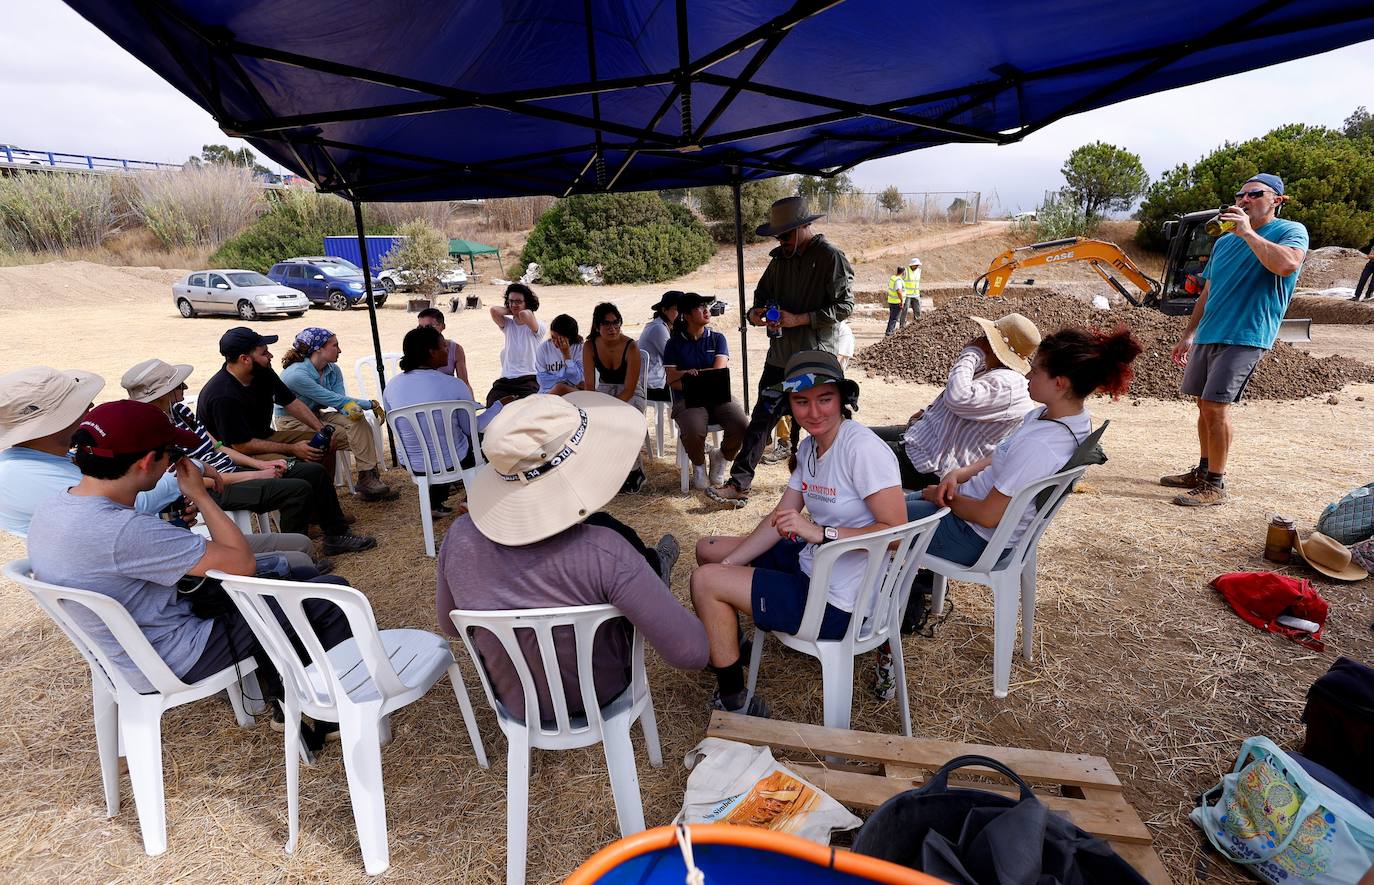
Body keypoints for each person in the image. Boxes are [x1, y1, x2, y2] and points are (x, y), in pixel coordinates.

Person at [25, 399, 352, 748]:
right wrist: (200, 494)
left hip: (126, 653)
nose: (175, 462)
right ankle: (335, 712)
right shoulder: (123, 529)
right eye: (172, 453)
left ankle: (291, 701)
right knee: (330, 595)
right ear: (148, 462)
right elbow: (242, 564)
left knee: (291, 585)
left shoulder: (57, 506)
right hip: (174, 656)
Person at [435, 392, 705, 720]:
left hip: (516, 703)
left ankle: (654, 572)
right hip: (604, 694)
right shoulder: (605, 550)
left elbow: (450, 625)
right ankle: (655, 572)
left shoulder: (459, 537)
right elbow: (692, 652)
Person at [690, 351, 905, 715]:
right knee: (708, 551)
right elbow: (782, 515)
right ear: (789, 404)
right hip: (810, 566)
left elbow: (896, 534)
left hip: (838, 602)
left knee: (705, 581)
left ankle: (734, 700)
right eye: (801, 401)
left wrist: (824, 533)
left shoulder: (861, 449)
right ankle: (729, 641)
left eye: (825, 399)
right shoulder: (809, 447)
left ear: (842, 399)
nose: (814, 412)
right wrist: (729, 565)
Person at [904, 326, 1142, 572]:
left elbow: (988, 515)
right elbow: (1004, 453)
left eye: (1036, 370)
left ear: (1059, 383)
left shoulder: (1041, 445)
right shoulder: (1062, 418)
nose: (1027, 375)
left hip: (971, 536)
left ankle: (884, 602)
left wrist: (940, 499)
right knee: (882, 507)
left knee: (873, 521)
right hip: (966, 514)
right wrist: (958, 474)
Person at [1164, 173, 1308, 506]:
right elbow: (1207, 292)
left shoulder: (1290, 231)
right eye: (1240, 195)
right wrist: (1188, 334)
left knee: (1216, 407)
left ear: (1277, 200)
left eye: (1254, 194)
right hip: (1211, 332)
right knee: (1202, 404)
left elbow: (1286, 265)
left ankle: (1216, 485)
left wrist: (1246, 232)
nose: (1244, 200)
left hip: (1246, 333)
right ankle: (1203, 470)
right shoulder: (1224, 242)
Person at [707, 196, 855, 509]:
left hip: (815, 361)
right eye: (778, 236)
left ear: (804, 227)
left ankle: (815, 488)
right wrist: (755, 315)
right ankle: (739, 483)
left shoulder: (830, 257)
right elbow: (758, 300)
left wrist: (800, 319)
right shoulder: (778, 261)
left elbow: (845, 306)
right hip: (779, 359)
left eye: (786, 234)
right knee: (761, 420)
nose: (782, 241)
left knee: (813, 427)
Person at [121, 358, 329, 576]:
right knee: (297, 489)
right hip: (212, 487)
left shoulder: (180, 411)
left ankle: (327, 536)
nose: (185, 387)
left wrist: (259, 464)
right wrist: (255, 475)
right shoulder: (150, 435)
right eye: (179, 385)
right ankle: (298, 565)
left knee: (310, 472)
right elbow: (188, 481)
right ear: (164, 393)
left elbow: (216, 446)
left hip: (224, 474)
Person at [197, 327, 376, 555]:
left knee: (323, 444)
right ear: (244, 359)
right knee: (306, 468)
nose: (270, 355)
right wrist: (293, 449)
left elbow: (291, 402)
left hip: (264, 436)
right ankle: (311, 532)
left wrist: (321, 431)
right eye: (264, 352)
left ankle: (322, 521)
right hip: (239, 456)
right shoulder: (222, 395)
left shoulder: (261, 372)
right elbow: (242, 445)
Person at [0, 366, 181, 537]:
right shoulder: (22, 472)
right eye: (78, 405)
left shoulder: (40, 460)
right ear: (54, 425)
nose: (90, 406)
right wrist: (185, 476)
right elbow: (121, 506)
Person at [869, 314, 1039, 490]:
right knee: (854, 435)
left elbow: (958, 397)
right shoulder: (994, 370)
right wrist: (928, 411)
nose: (981, 339)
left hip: (927, 464)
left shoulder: (1009, 384)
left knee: (853, 450)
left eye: (987, 339)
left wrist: (972, 353)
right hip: (923, 439)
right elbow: (954, 392)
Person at [383, 325, 495, 519]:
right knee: (488, 441)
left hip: (413, 463)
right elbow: (471, 429)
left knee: (434, 444)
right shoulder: (454, 385)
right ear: (431, 352)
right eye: (443, 346)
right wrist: (499, 407)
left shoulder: (391, 387)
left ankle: (434, 503)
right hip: (454, 460)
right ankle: (474, 500)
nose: (447, 350)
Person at [278, 327, 397, 502]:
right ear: (318, 348)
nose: (340, 350)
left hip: (315, 415)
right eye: (335, 345)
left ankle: (368, 478)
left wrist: (353, 410)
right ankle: (361, 482)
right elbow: (332, 399)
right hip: (292, 422)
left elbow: (341, 402)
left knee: (357, 421)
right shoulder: (296, 374)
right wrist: (370, 404)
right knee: (358, 437)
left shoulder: (332, 370)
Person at [662, 292, 748, 490]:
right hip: (687, 398)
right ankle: (699, 464)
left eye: (706, 306)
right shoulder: (673, 344)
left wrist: (688, 374)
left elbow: (718, 370)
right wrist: (687, 376)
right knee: (693, 429)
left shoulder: (718, 338)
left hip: (718, 395)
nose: (707, 310)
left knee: (741, 424)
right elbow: (671, 380)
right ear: (687, 315)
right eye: (700, 307)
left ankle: (721, 456)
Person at [583, 301, 647, 492]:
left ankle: (635, 471)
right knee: (593, 423)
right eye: (607, 323)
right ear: (597, 326)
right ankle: (608, 471)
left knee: (625, 420)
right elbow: (589, 386)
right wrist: (594, 407)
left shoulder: (631, 346)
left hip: (631, 391)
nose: (612, 328)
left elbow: (628, 389)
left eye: (616, 322)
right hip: (604, 390)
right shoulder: (590, 346)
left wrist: (607, 409)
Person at [485, 283, 546, 407]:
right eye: (511, 301)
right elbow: (494, 310)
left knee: (527, 407)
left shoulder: (538, 326)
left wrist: (517, 309)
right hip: (507, 380)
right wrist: (513, 308)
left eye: (518, 301)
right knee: (492, 403)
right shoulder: (508, 325)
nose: (513, 304)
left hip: (530, 378)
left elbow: (525, 315)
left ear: (527, 303)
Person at [638, 291, 682, 405]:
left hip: (657, 382)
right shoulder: (659, 328)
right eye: (677, 308)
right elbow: (676, 359)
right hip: (653, 386)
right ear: (664, 310)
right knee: (693, 388)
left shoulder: (665, 326)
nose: (682, 313)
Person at [416, 307, 471, 386]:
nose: (424, 331)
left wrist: (470, 398)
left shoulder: (455, 349)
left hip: (447, 393)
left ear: (443, 326)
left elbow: (464, 382)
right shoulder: (414, 348)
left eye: (429, 327)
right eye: (420, 327)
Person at [535, 314, 585, 395]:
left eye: (560, 339)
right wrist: (565, 379)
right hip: (547, 393)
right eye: (553, 337)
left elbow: (577, 380)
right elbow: (542, 381)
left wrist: (567, 355)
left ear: (570, 338)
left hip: (572, 393)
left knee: (561, 388)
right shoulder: (543, 348)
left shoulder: (580, 348)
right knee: (559, 388)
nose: (555, 342)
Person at [900, 257, 922, 327]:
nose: (917, 266)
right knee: (905, 311)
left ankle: (917, 327)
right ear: (912, 265)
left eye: (918, 265)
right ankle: (902, 326)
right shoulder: (905, 271)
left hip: (916, 294)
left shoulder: (919, 271)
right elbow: (900, 281)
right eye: (916, 265)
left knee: (918, 311)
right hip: (907, 295)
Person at [884, 267, 905, 337]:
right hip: (896, 302)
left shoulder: (893, 278)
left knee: (892, 317)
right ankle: (889, 333)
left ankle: (889, 332)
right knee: (894, 318)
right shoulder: (898, 281)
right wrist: (901, 301)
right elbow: (899, 291)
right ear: (903, 272)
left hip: (891, 301)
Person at [1353, 232, 1374, 302]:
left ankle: (1367, 297)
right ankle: (1357, 296)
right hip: (1371, 264)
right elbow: (1369, 256)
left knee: (1373, 283)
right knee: (1362, 279)